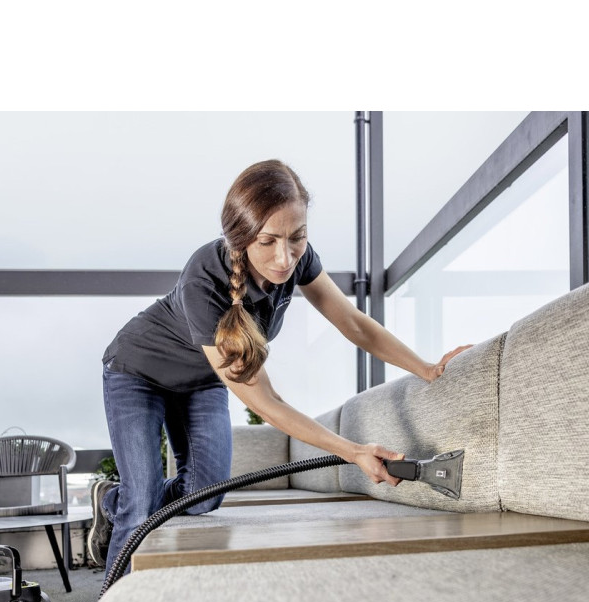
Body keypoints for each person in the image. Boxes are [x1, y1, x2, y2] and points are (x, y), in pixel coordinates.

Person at [89, 159, 469, 576]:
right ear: (241, 237)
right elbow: (266, 402)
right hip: (138, 373)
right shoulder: (205, 281)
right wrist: (354, 452)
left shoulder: (298, 259)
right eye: (268, 241)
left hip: (201, 382)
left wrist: (427, 369)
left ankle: (113, 498)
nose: (284, 258)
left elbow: (354, 323)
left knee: (204, 495)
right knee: (141, 503)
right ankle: (117, 557)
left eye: (297, 238)